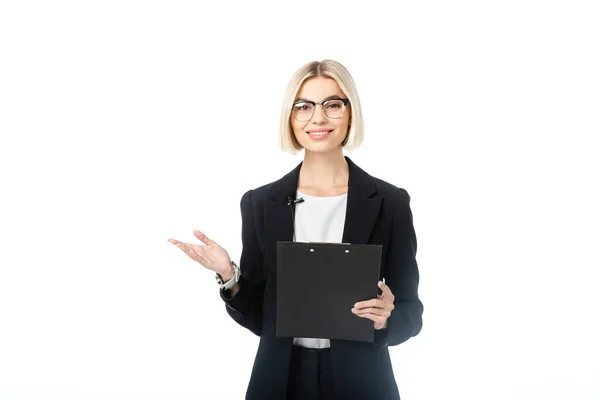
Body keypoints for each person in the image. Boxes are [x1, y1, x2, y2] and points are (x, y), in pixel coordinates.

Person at [168, 59, 423, 400]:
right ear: (290, 117)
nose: (318, 118)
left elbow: (411, 312)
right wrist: (228, 274)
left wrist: (386, 319)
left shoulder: (390, 203)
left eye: (332, 104)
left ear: (351, 112)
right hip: (280, 379)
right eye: (304, 106)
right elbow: (261, 319)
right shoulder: (260, 203)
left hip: (362, 380)